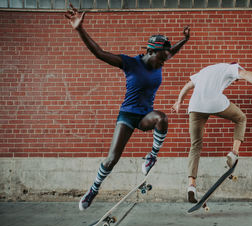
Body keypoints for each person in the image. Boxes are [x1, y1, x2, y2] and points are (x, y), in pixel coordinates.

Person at [64, 4, 190, 210]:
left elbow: (171, 51)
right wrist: (80, 29)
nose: (165, 61)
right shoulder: (130, 63)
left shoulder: (161, 58)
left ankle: (152, 157)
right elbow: (99, 52)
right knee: (112, 159)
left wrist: (184, 40)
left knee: (162, 118)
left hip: (145, 115)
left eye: (166, 58)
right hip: (128, 115)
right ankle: (94, 189)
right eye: (162, 57)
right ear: (151, 51)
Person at [172, 62, 252, 203]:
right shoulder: (230, 68)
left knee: (195, 146)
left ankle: (191, 186)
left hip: (195, 106)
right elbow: (247, 74)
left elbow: (188, 86)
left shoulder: (205, 70)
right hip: (214, 102)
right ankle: (234, 153)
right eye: (235, 80)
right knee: (241, 118)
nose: (235, 81)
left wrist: (179, 102)